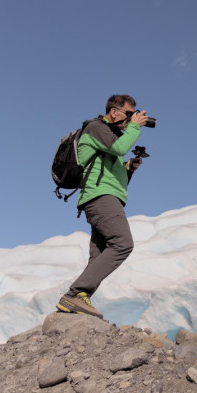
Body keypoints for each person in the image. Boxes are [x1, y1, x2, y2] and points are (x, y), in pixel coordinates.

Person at [56, 94, 149, 319]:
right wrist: (135, 128)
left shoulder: (110, 137)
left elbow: (113, 176)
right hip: (100, 198)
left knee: (98, 257)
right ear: (113, 111)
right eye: (128, 114)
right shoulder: (97, 128)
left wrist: (128, 170)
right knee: (122, 243)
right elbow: (119, 149)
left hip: (105, 197)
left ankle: (77, 305)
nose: (131, 118)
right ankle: (75, 294)